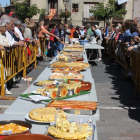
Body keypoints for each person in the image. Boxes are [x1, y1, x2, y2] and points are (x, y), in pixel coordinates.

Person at [0, 20, 12, 95]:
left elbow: (7, 44)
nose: (6, 28)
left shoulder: (4, 35)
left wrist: (6, 47)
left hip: (3, 58)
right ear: (0, 28)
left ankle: (4, 89)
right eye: (4, 27)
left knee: (3, 74)